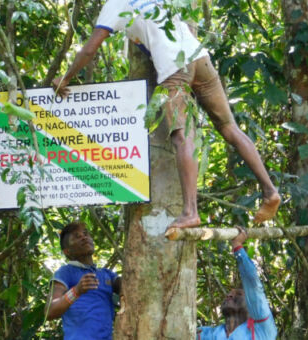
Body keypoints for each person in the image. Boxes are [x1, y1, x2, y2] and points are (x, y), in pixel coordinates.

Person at [52, 0, 281, 230]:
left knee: (181, 137)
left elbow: (90, 49)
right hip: (198, 56)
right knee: (229, 127)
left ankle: (191, 211)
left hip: (174, 66)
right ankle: (270, 191)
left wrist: (65, 78)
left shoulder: (115, 4)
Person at [197, 227, 277, 340]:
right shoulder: (208, 334)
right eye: (229, 294)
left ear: (251, 305)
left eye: (238, 294)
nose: (229, 295)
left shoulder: (262, 329)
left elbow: (253, 285)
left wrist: (237, 246)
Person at [46, 221, 121, 340]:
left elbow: (130, 288)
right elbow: (50, 311)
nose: (84, 237)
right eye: (77, 237)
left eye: (85, 234)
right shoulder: (65, 272)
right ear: (67, 251)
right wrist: (76, 291)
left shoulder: (107, 274)